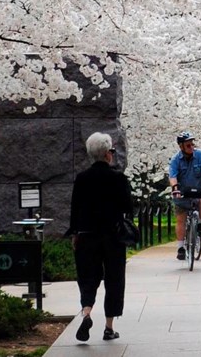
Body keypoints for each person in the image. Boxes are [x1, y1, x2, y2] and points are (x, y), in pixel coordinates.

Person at [65, 132, 132, 341]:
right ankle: (109, 327)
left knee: (87, 277)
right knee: (114, 279)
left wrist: (75, 233)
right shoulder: (118, 178)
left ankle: (86, 312)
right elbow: (128, 207)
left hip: (86, 235)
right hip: (113, 236)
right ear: (107, 154)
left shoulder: (82, 179)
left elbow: (74, 209)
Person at [168, 131, 201, 261]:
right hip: (182, 192)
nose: (191, 147)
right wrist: (175, 188)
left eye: (192, 144)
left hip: (198, 190)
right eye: (188, 145)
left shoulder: (200, 155)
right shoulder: (176, 159)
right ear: (181, 146)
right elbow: (173, 176)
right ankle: (181, 247)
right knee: (181, 219)